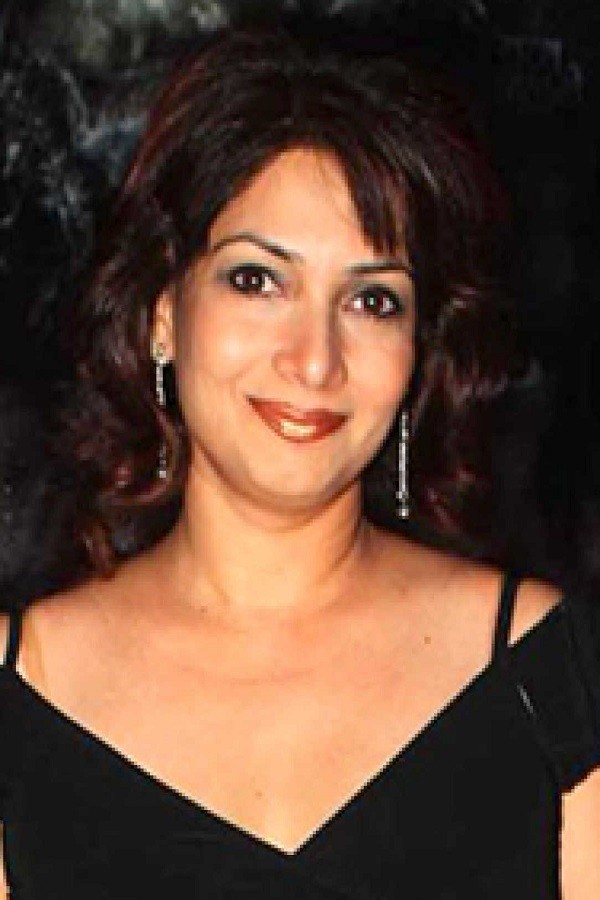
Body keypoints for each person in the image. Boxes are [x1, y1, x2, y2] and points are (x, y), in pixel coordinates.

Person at [1, 27, 599, 898]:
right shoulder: (25, 684)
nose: (315, 360)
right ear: (163, 312)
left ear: (420, 352)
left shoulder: (549, 672)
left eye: (372, 300)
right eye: (257, 280)